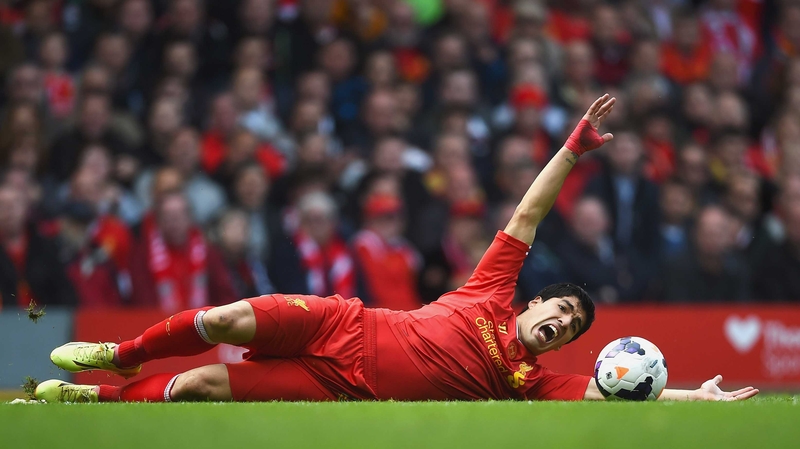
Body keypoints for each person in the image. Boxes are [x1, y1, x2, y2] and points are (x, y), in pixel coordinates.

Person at [36, 96, 758, 403]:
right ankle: (123, 352)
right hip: (341, 323)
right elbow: (528, 212)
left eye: (571, 326)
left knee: (199, 388)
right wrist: (571, 149)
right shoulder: (489, 290)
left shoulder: (526, 381)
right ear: (535, 298)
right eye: (562, 308)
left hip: (342, 386)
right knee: (224, 319)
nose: (562, 322)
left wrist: (701, 394)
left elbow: (621, 390)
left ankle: (91, 397)